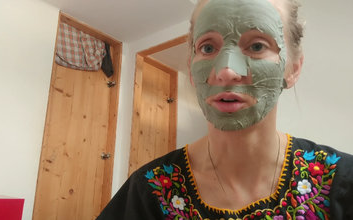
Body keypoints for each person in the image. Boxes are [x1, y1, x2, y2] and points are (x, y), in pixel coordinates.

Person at [97, 0, 353, 219]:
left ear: (294, 68)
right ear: (192, 70)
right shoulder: (149, 190)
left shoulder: (341, 182)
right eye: (208, 48)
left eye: (257, 46)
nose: (226, 71)